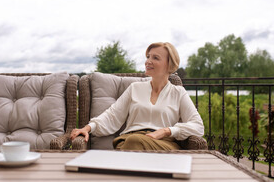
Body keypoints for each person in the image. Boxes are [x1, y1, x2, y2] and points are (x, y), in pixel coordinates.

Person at [70, 42, 204, 150]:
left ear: (169, 64)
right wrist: (87, 128)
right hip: (129, 140)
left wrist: (167, 131)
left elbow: (198, 126)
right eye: (148, 57)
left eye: (155, 58)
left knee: (134, 144)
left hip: (163, 144)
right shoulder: (134, 88)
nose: (148, 61)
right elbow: (112, 115)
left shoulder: (178, 93)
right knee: (133, 141)